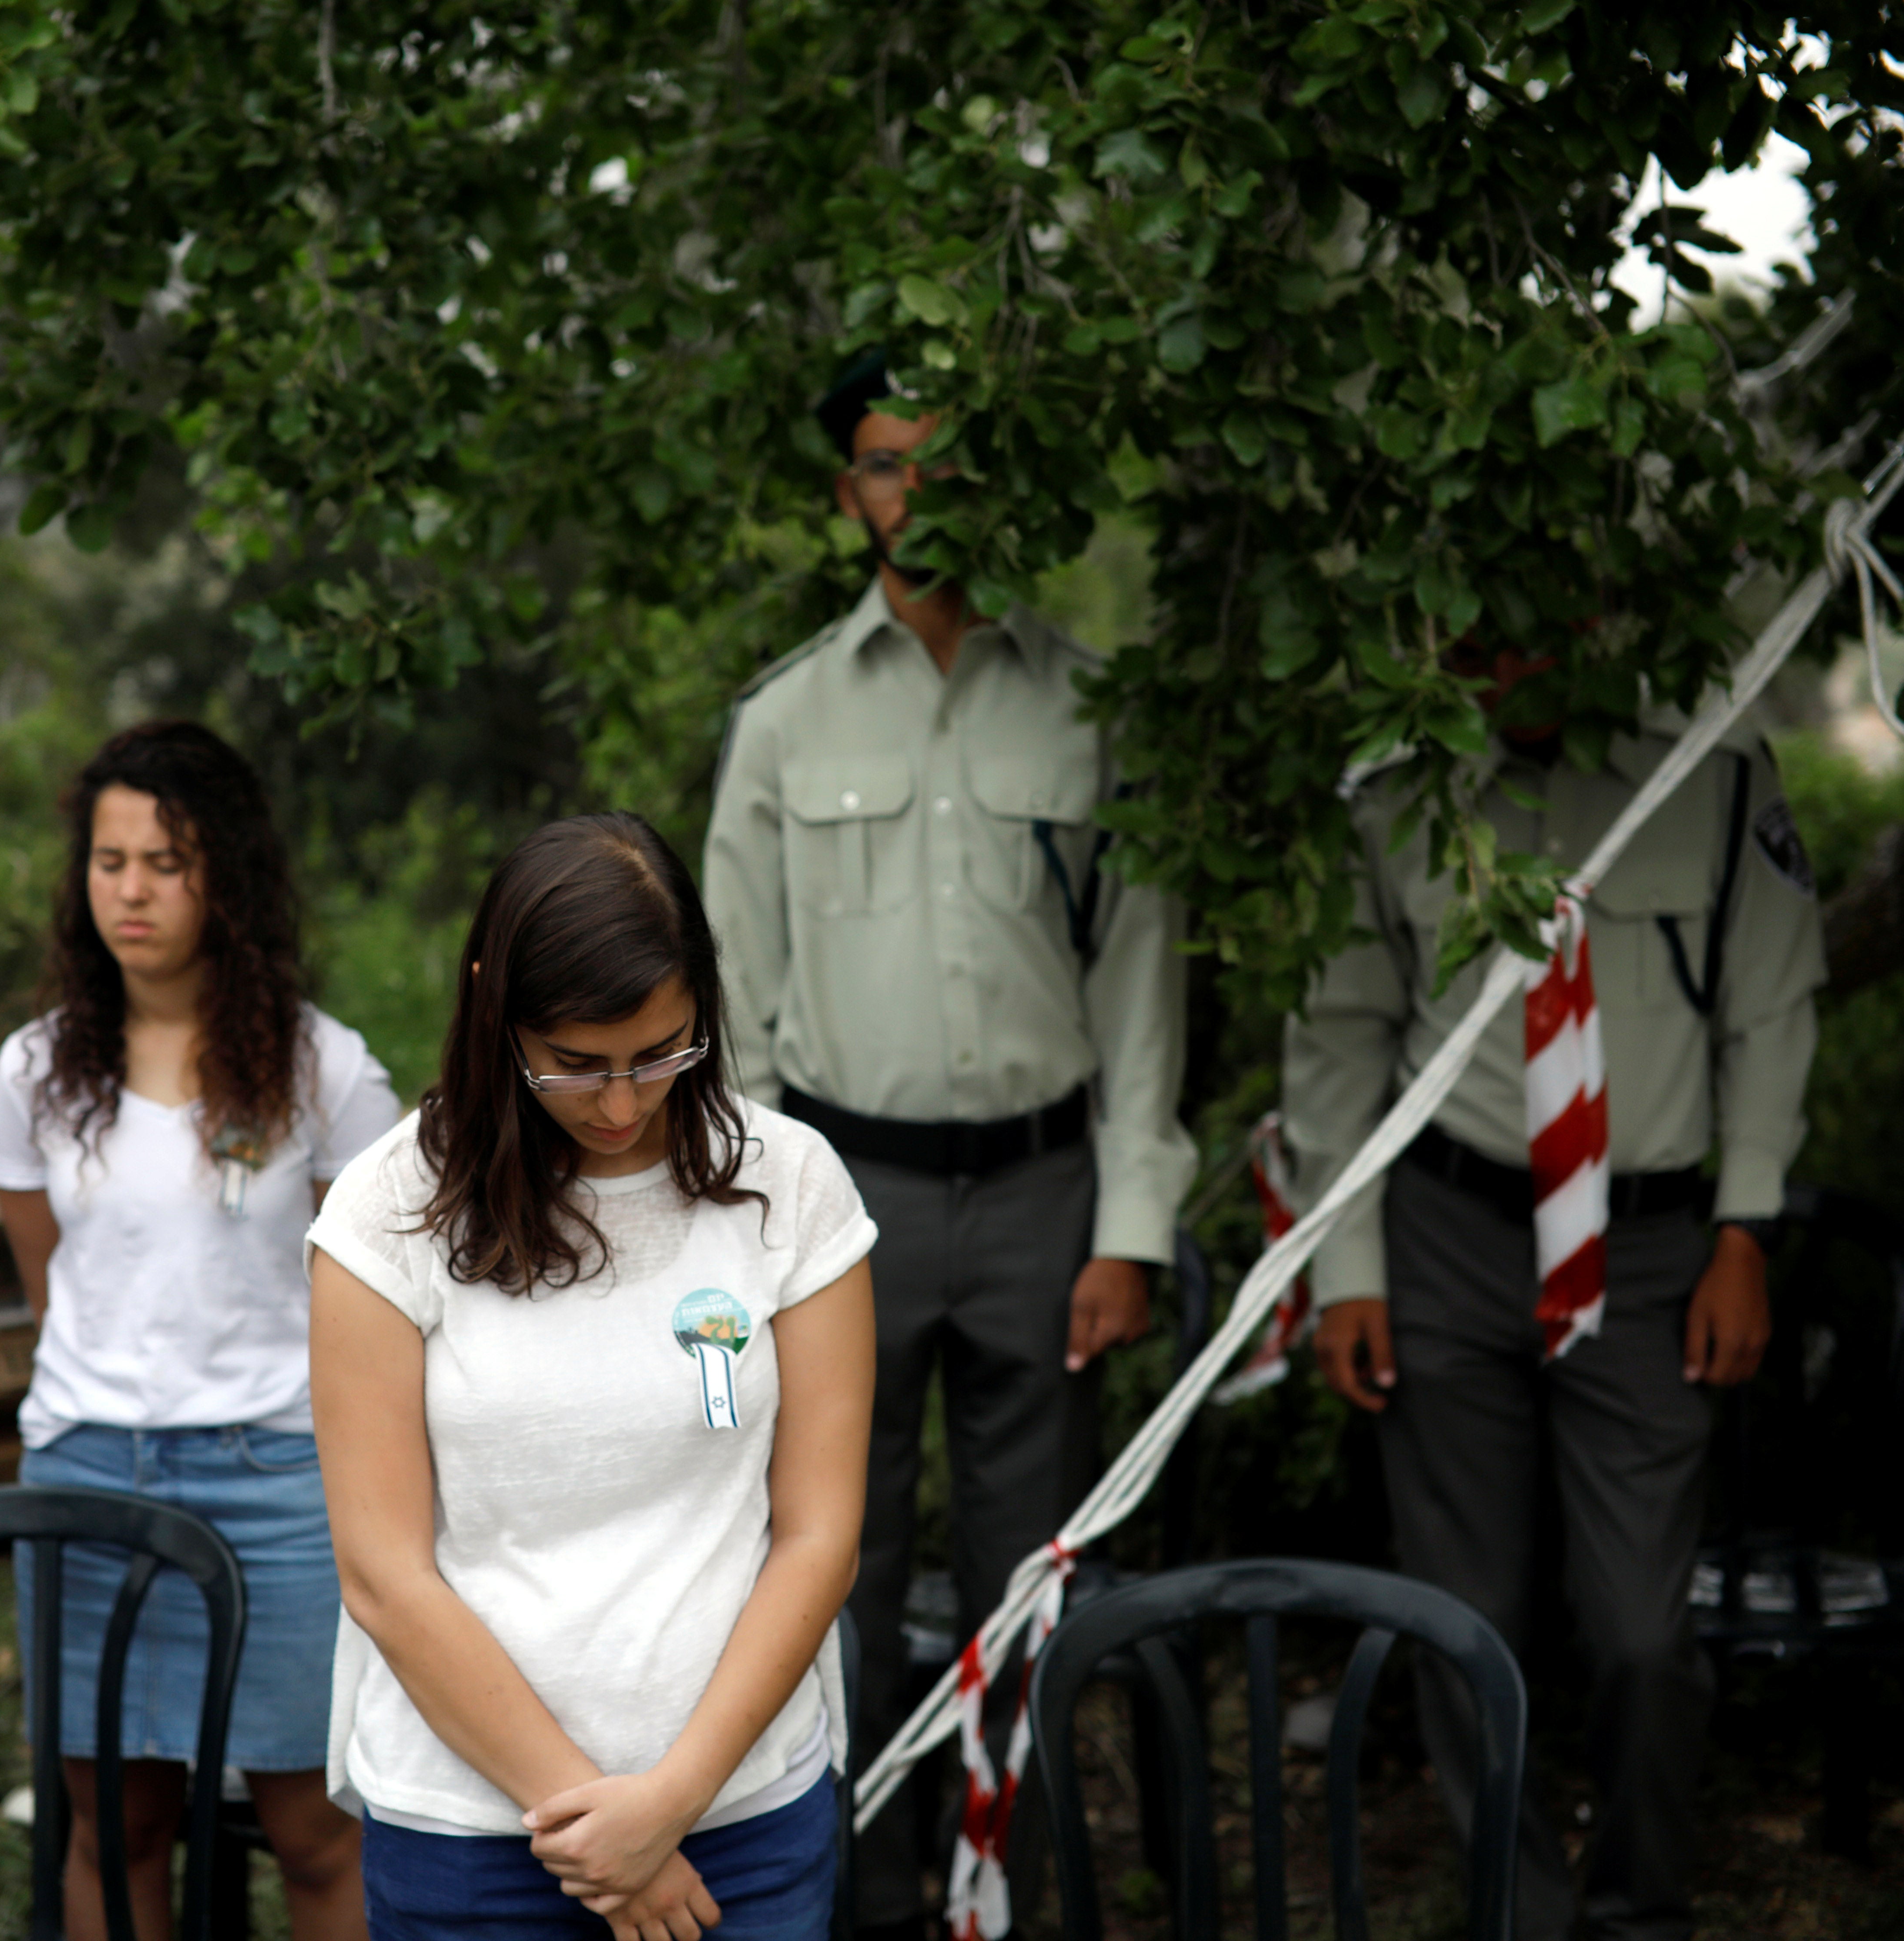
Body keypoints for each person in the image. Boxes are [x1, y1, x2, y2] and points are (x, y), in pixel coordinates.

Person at [701, 358, 1197, 1937]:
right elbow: (738, 1008)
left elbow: (1136, 987)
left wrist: (1126, 1225)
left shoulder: (1086, 705)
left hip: (1044, 1197)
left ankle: (1008, 1895)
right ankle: (848, 1890)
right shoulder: (778, 723)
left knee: (1025, 1579)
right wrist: (762, 1229)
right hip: (841, 1201)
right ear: (847, 491)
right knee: (825, 1566)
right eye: (880, 464)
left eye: (941, 464)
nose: (911, 493)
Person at [1283, 645, 1824, 1941]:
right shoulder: (1393, 789)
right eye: (1471, 619)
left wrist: (1743, 1229)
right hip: (1448, 1230)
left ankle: (1640, 1905)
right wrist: (1345, 1266)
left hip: (1647, 1252)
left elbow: (1771, 1012)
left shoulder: (1709, 775)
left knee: (1640, 1629)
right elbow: (1339, 1034)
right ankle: (1511, 1912)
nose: (1499, 650)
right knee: (1464, 1617)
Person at [308, 812, 878, 1941]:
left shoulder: (793, 1185)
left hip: (744, 1822)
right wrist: (601, 1832)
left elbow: (819, 1535)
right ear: (493, 1013)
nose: (625, 1105)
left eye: (664, 1053)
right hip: (472, 1841)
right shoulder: (385, 1216)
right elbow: (384, 1574)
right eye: (577, 1065)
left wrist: (668, 1807)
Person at [0, 720, 398, 1941]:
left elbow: (380, 1295)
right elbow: (52, 1284)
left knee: (318, 1829)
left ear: (229, 873)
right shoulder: (34, 1071)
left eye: (166, 861)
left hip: (278, 1479)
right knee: (116, 1828)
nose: (134, 891)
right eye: (111, 863)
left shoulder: (326, 1069)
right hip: (85, 1477)